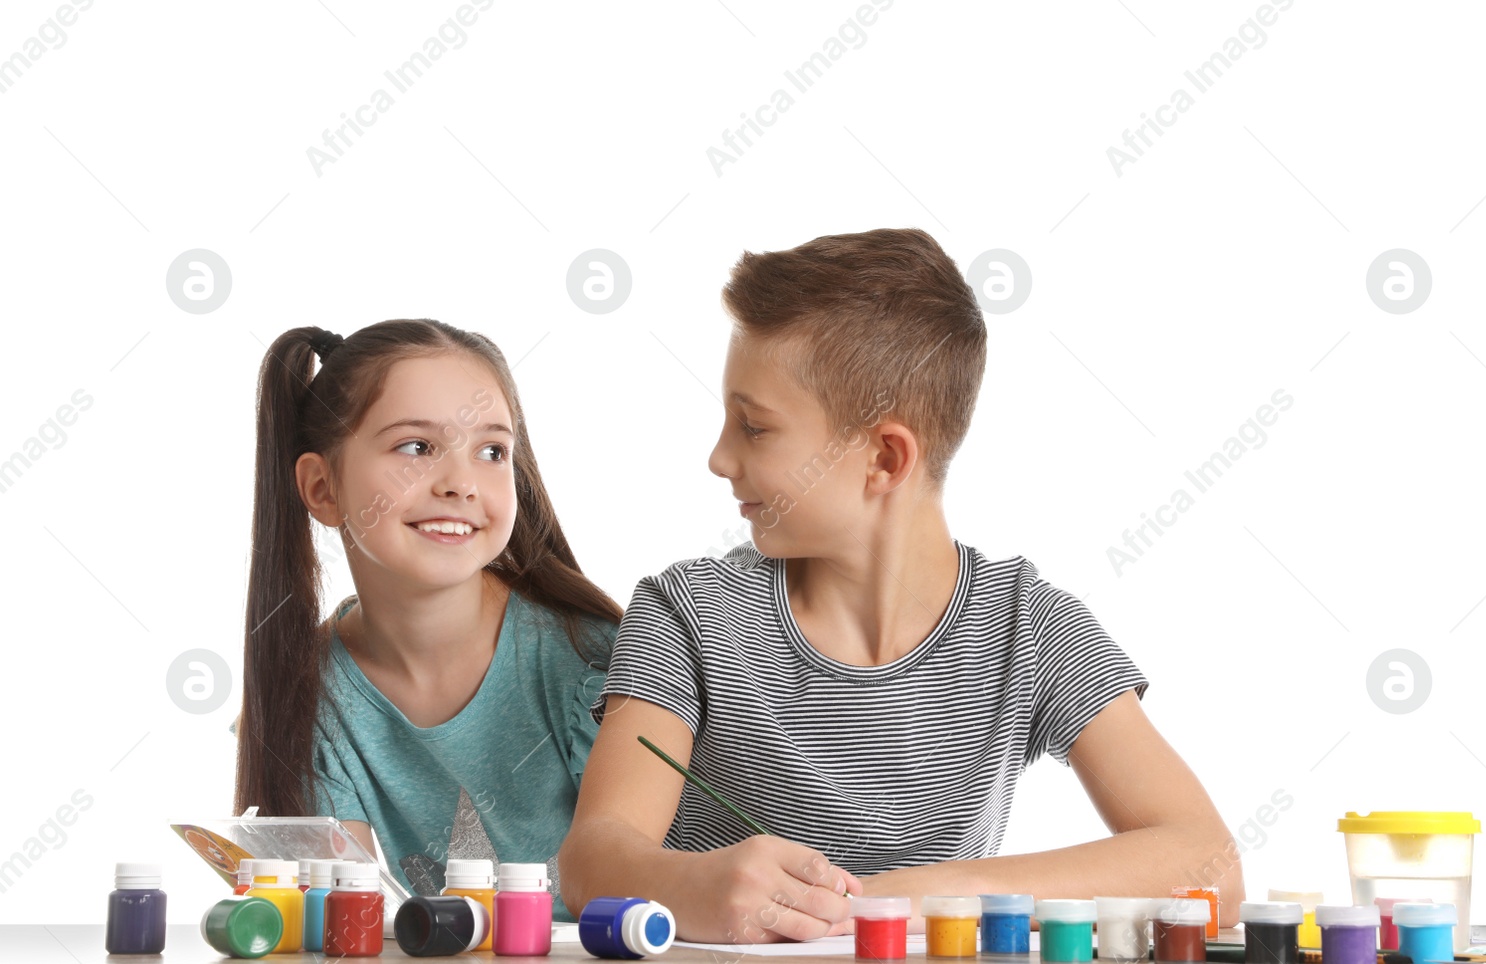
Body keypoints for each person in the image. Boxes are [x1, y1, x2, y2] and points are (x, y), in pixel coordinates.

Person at [559, 229, 1243, 941]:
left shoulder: (1030, 627)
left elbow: (1212, 865)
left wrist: (934, 894)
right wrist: (688, 884)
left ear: (885, 459)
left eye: (754, 428)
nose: (719, 457)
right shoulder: (686, 613)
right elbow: (591, 859)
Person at [234, 319, 619, 919]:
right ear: (322, 486)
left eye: (492, 451)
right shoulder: (310, 700)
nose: (462, 483)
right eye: (416, 447)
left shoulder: (591, 663)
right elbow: (345, 927)